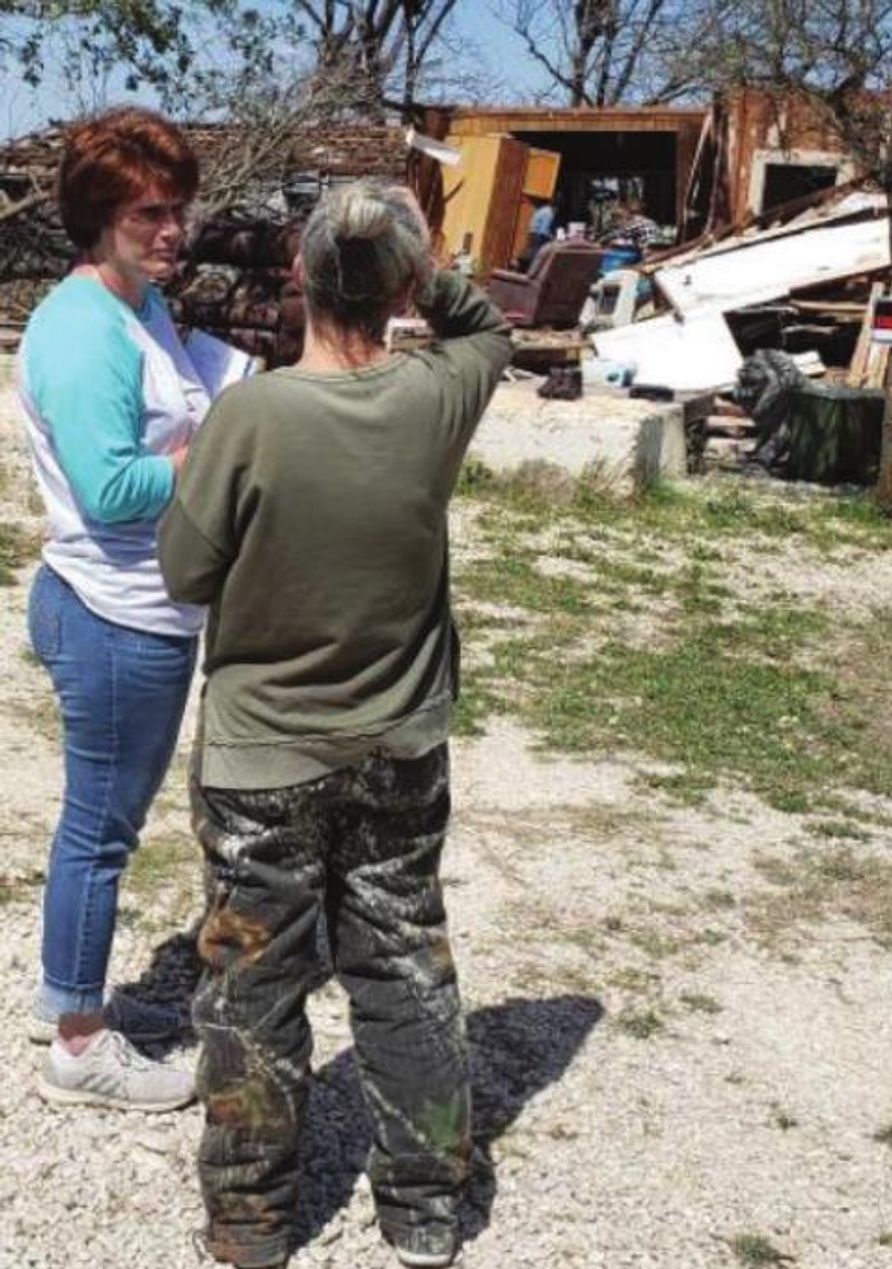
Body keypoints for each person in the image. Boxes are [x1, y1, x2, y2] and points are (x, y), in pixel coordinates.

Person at [158, 179, 512, 1269]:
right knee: (404, 968)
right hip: (400, 740)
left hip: (262, 754)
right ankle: (422, 1212)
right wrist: (414, 258)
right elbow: (487, 322)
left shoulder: (252, 415)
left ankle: (254, 1222)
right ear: (405, 286)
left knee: (252, 987)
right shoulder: (437, 393)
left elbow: (185, 572)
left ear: (298, 277)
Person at [17, 106, 210, 1113]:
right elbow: (113, 487)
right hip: (114, 616)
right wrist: (213, 462)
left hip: (137, 609)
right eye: (152, 213)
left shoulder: (137, 302)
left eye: (181, 209)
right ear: (100, 216)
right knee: (98, 833)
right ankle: (81, 1042)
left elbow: (188, 391)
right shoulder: (84, 329)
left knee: (101, 824)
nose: (175, 230)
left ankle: (72, 996)